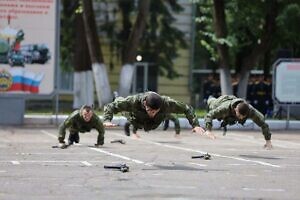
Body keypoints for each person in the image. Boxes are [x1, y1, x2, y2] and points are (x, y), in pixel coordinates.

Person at [103, 91, 213, 139]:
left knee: (163, 115)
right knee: (120, 104)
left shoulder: (167, 103)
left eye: (155, 111)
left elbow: (187, 108)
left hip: (154, 123)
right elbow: (110, 107)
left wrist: (195, 125)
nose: (152, 114)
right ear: (145, 104)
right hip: (135, 118)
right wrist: (107, 119)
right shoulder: (134, 102)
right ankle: (117, 96)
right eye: (151, 111)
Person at [204, 95, 273, 149]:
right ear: (235, 109)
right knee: (211, 102)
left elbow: (263, 124)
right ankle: (210, 98)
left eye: (243, 117)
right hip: (221, 102)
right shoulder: (224, 108)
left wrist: (268, 140)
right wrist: (208, 130)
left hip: (233, 106)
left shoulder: (251, 111)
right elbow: (209, 115)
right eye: (239, 116)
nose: (241, 118)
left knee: (260, 120)